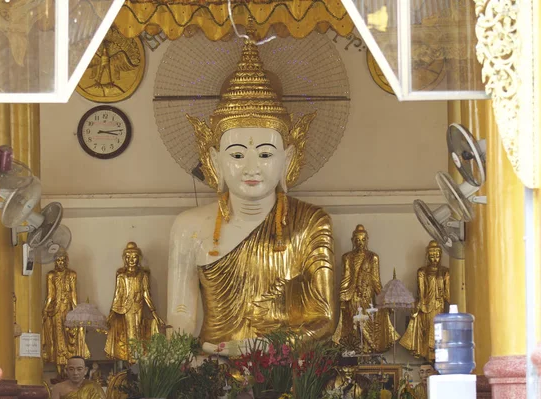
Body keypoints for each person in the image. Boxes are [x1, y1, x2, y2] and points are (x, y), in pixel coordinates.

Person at [167, 38, 335, 357]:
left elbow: (323, 318)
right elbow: (180, 315)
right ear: (214, 160)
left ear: (288, 159)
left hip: (284, 369)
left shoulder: (311, 224)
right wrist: (182, 360)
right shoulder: (187, 226)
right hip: (211, 366)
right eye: (237, 154)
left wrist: (266, 347)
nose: (251, 167)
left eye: (265, 153)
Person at [332, 225, 398, 353]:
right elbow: (345, 278)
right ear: (353, 241)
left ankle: (367, 348)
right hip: (352, 295)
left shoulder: (373, 257)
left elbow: (376, 281)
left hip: (367, 294)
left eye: (362, 240)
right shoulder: (347, 257)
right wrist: (342, 298)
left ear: (366, 240)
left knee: (367, 321)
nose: (360, 243)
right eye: (357, 240)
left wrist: (385, 300)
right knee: (353, 323)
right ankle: (355, 349)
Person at [105, 242, 164, 362]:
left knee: (137, 332)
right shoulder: (121, 274)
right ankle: (130, 360)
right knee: (127, 334)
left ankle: (137, 360)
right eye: (128, 257)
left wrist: (155, 315)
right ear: (125, 259)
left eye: (134, 257)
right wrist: (111, 314)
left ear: (139, 258)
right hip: (125, 308)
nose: (131, 260)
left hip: (138, 307)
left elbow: (147, 295)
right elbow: (118, 295)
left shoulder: (143, 274)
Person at [400, 241, 450, 360]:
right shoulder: (422, 271)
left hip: (439, 305)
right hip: (427, 306)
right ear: (427, 256)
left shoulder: (445, 271)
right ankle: (428, 354)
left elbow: (448, 293)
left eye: (437, 256)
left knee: (439, 329)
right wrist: (419, 305)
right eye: (432, 256)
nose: (434, 259)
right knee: (428, 329)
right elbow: (421, 293)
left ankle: (437, 355)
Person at [42, 251, 89, 375]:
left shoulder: (71, 274)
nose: (61, 263)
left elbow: (73, 294)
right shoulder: (51, 275)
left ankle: (71, 366)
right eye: (58, 260)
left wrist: (77, 312)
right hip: (56, 310)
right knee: (58, 339)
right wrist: (46, 309)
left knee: (70, 337)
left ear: (67, 261)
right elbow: (50, 295)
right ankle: (59, 370)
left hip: (68, 309)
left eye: (63, 260)